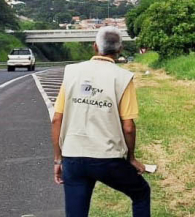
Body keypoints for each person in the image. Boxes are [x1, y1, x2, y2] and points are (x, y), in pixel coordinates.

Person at [50, 26, 149, 217]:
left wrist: (58, 159)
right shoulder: (123, 78)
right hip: (107, 159)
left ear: (95, 47)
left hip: (73, 156)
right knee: (141, 193)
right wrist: (131, 158)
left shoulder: (71, 72)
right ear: (119, 50)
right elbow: (128, 127)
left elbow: (56, 119)